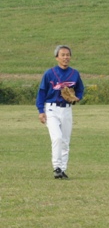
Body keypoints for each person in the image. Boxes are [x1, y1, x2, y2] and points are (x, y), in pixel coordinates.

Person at [36, 45, 85, 179]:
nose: (65, 57)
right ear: (57, 57)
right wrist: (41, 111)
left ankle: (62, 170)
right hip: (51, 108)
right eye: (62, 55)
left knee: (65, 141)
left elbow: (80, 89)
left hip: (67, 109)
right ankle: (56, 167)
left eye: (68, 55)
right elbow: (41, 92)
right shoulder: (49, 73)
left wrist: (77, 97)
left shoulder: (74, 74)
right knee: (57, 137)